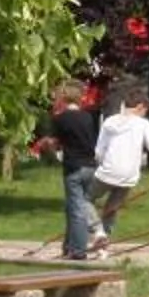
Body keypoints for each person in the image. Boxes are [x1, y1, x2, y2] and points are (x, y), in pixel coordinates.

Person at [88, 84, 149, 242]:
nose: (145, 115)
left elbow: (99, 151)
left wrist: (100, 164)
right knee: (112, 208)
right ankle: (104, 240)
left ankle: (97, 231)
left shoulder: (110, 122)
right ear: (140, 107)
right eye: (145, 111)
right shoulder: (143, 125)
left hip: (108, 171)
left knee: (85, 199)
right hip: (129, 176)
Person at [43, 81, 103, 262]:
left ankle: (78, 250)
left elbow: (55, 142)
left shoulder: (61, 118)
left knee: (77, 209)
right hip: (90, 165)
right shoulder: (88, 117)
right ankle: (68, 246)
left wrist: (48, 147)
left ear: (63, 97)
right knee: (74, 206)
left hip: (74, 166)